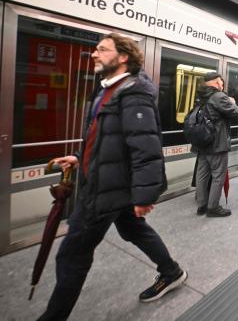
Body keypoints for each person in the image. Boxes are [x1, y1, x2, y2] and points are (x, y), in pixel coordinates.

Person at [38, 33, 186, 320]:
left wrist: (144, 196)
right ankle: (171, 272)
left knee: (72, 255)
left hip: (105, 190)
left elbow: (145, 146)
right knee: (134, 229)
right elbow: (108, 139)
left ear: (123, 57)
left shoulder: (133, 92)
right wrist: (80, 158)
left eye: (102, 50)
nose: (94, 54)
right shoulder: (108, 89)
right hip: (110, 183)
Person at [191, 72, 238, 217]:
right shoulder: (219, 96)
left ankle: (202, 206)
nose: (222, 85)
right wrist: (232, 102)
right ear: (214, 82)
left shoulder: (200, 96)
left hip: (202, 142)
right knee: (218, 175)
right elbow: (235, 113)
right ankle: (213, 208)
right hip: (217, 143)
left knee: (202, 175)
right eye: (220, 82)